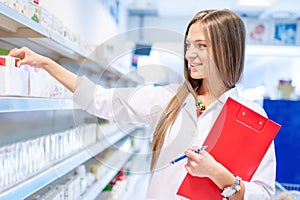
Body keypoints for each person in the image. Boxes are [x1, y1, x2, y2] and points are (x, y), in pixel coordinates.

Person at [9, 9, 276, 200]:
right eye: (188, 45)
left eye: (201, 45)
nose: (190, 55)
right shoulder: (168, 99)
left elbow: (263, 193)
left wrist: (218, 174)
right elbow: (100, 99)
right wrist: (46, 63)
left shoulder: (252, 117)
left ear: (227, 49)